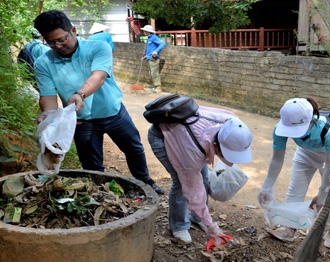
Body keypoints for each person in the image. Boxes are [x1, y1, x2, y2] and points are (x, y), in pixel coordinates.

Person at [33, 10, 164, 195]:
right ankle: (102, 195)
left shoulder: (98, 48)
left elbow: (99, 76)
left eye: (62, 39)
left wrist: (80, 94)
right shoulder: (43, 63)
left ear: (73, 30)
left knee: (134, 149)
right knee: (92, 165)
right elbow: (47, 97)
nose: (58, 45)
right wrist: (49, 116)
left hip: (114, 113)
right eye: (51, 42)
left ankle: (144, 182)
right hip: (81, 121)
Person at [148, 108, 253, 244]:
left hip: (186, 136)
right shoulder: (193, 156)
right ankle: (178, 226)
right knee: (181, 183)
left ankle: (197, 218)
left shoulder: (234, 125)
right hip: (163, 135)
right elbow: (192, 189)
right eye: (229, 155)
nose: (232, 161)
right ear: (215, 145)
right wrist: (211, 225)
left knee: (203, 178)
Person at [258, 97, 330, 249]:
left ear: (311, 119)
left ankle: (329, 230)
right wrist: (267, 186)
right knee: (295, 190)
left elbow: (329, 167)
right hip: (305, 153)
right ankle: (290, 227)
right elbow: (277, 159)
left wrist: (322, 194)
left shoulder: (329, 131)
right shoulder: (279, 128)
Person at [140, 25, 166, 93]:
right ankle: (155, 87)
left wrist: (156, 51)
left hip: (154, 58)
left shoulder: (154, 37)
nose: (144, 31)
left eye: (145, 30)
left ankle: (158, 88)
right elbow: (150, 49)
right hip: (150, 58)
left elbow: (163, 43)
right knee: (151, 73)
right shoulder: (149, 38)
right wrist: (146, 56)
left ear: (148, 31)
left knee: (154, 73)